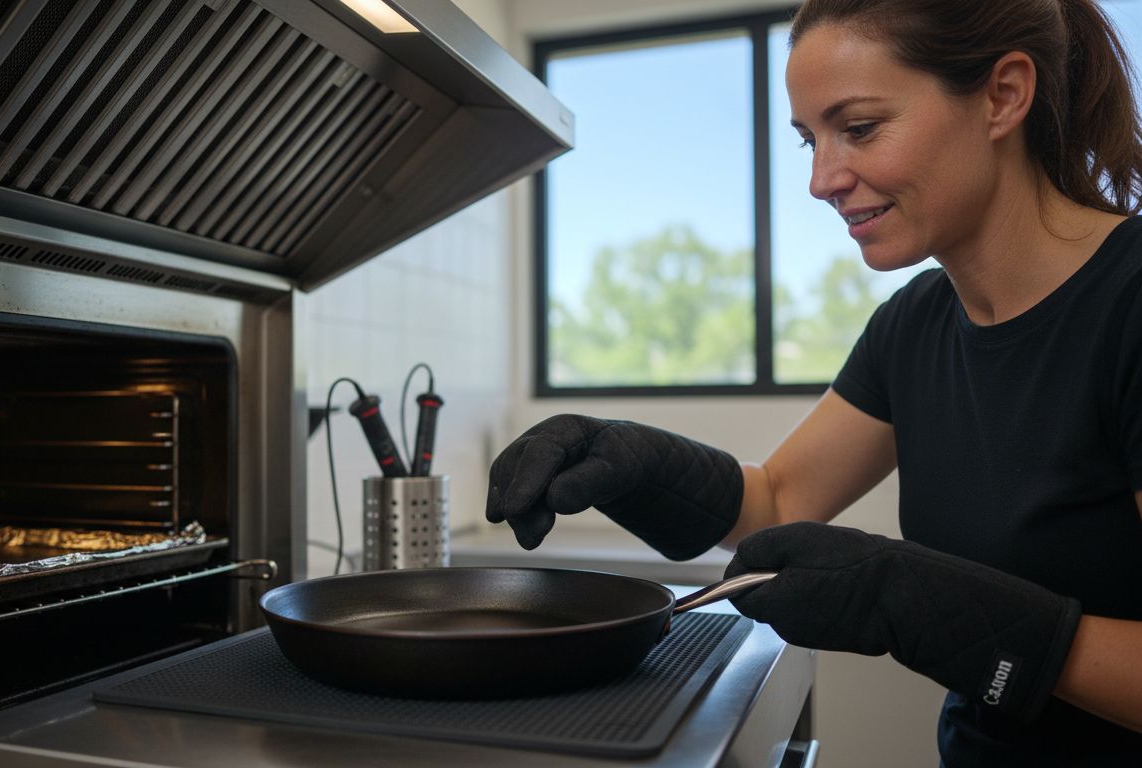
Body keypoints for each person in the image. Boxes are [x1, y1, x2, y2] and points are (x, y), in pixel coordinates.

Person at [484, 0, 1142, 764]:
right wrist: (634, 463)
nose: (821, 180)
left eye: (859, 127)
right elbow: (779, 500)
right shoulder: (915, 324)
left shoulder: (1129, 305)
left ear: (1003, 96)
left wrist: (914, 599)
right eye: (809, 140)